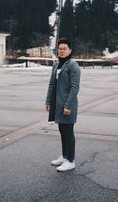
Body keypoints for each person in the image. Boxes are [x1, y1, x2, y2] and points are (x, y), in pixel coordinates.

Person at [45, 38, 81, 172]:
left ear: (70, 50)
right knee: (62, 130)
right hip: (57, 104)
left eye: (64, 48)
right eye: (60, 49)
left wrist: (68, 105)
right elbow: (51, 85)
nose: (61, 51)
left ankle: (71, 161)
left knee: (68, 132)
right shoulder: (56, 65)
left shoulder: (73, 65)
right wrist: (48, 101)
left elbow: (75, 87)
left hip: (67, 104)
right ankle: (65, 156)